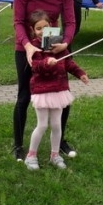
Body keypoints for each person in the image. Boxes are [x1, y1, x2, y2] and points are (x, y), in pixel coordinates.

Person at [11, 0, 76, 162]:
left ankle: (60, 141)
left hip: (54, 47)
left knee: (61, 94)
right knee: (24, 95)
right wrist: (28, 46)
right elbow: (19, 21)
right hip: (27, 47)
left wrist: (64, 43)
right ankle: (18, 145)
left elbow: (70, 21)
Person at [24, 10, 89, 171]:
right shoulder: (34, 48)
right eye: (38, 28)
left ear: (51, 27)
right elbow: (36, 67)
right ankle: (31, 156)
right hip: (42, 92)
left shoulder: (59, 45)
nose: (42, 31)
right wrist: (47, 62)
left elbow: (69, 63)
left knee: (56, 125)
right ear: (33, 30)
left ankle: (55, 155)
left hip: (59, 90)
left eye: (45, 27)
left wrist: (80, 74)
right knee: (42, 125)